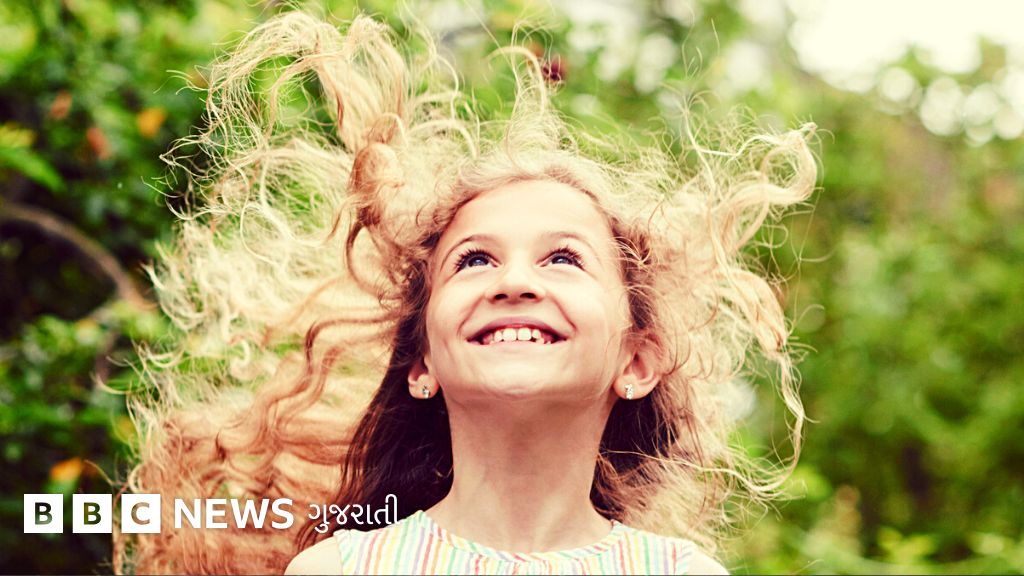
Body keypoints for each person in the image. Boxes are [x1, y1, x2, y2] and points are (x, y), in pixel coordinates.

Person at [119, 10, 815, 575]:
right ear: (422, 361)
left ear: (636, 361)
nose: (514, 282)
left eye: (564, 259)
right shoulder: (339, 570)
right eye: (475, 260)